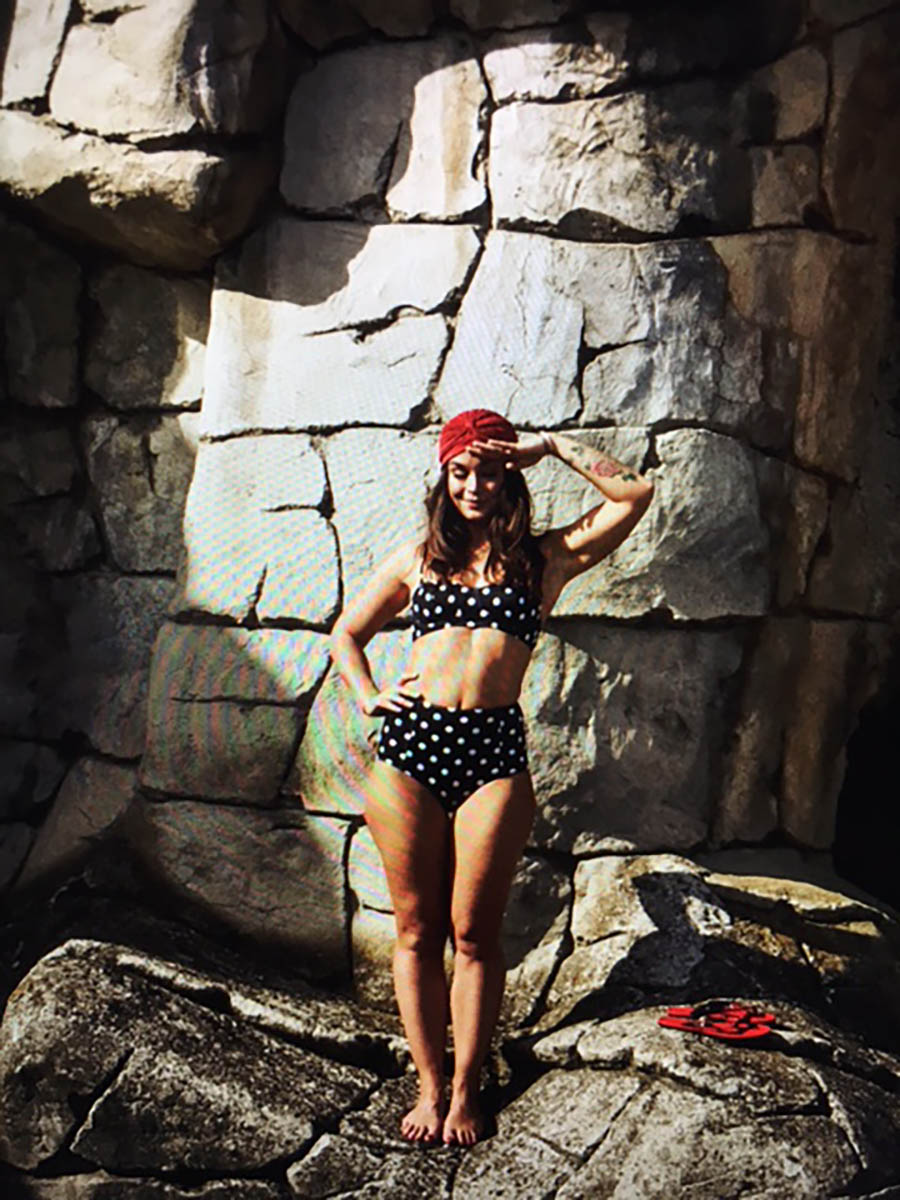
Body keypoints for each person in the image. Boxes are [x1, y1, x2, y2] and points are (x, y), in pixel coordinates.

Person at [329, 409, 654, 1146]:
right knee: (416, 931)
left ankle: (467, 1090)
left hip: (492, 755)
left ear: (512, 475)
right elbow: (346, 633)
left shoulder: (545, 561)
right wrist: (367, 693)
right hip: (410, 752)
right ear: (444, 477)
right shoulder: (418, 560)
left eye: (490, 471)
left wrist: (551, 445)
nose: (475, 486)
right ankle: (428, 1085)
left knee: (475, 933)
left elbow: (634, 494)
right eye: (461, 471)